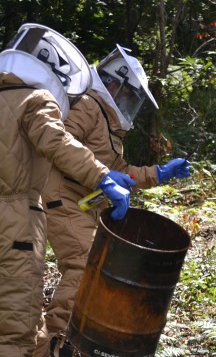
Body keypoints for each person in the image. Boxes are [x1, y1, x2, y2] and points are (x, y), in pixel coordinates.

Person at [35, 44, 191, 356]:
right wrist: (101, 177)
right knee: (84, 264)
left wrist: (158, 174)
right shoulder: (88, 106)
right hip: (60, 199)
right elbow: (61, 145)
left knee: (93, 266)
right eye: (130, 96)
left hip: (81, 204)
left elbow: (118, 172)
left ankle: (68, 339)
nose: (129, 105)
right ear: (114, 84)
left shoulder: (108, 126)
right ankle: (55, 342)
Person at [0, 23, 132, 357]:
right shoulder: (34, 100)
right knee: (14, 332)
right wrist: (102, 177)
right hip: (14, 224)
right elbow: (57, 141)